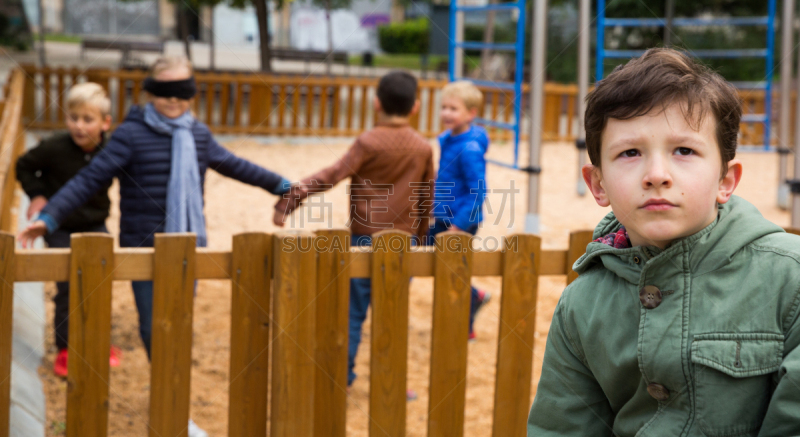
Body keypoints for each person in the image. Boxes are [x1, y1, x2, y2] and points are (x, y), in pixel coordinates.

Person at [527, 48, 800, 436]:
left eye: (684, 151)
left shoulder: (790, 281)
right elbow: (562, 427)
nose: (657, 174)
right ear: (598, 184)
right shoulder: (582, 305)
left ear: (726, 180)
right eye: (630, 152)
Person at [19, 56, 292, 437]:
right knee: (154, 327)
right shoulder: (131, 135)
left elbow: (235, 165)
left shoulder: (197, 134)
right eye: (165, 92)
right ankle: (175, 412)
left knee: (178, 324)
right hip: (144, 250)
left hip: (189, 246)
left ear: (191, 93)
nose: (174, 100)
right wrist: (48, 218)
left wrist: (284, 187)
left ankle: (174, 403)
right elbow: (89, 179)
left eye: (182, 91)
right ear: (151, 92)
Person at [273, 70, 435, 400]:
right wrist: (419, 238)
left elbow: (332, 175)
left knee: (352, 312)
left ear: (376, 103)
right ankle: (392, 380)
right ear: (415, 107)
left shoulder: (368, 142)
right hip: (403, 245)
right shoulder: (422, 148)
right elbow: (426, 196)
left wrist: (290, 199)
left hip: (362, 240)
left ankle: (341, 376)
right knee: (393, 313)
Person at [15, 82, 121, 377]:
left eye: (87, 119)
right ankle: (66, 348)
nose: (79, 126)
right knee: (68, 286)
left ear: (105, 122)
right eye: (73, 117)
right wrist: (37, 193)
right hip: (59, 227)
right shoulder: (54, 147)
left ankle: (99, 342)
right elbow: (23, 165)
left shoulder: (112, 149)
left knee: (100, 281)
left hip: (95, 223)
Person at [428, 80, 491, 341]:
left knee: (453, 269)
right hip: (445, 214)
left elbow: (478, 190)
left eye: (453, 108)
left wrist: (460, 224)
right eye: (444, 107)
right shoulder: (448, 139)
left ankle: (466, 325)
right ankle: (473, 297)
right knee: (444, 265)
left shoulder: (469, 148)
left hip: (460, 220)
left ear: (471, 113)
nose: (446, 113)